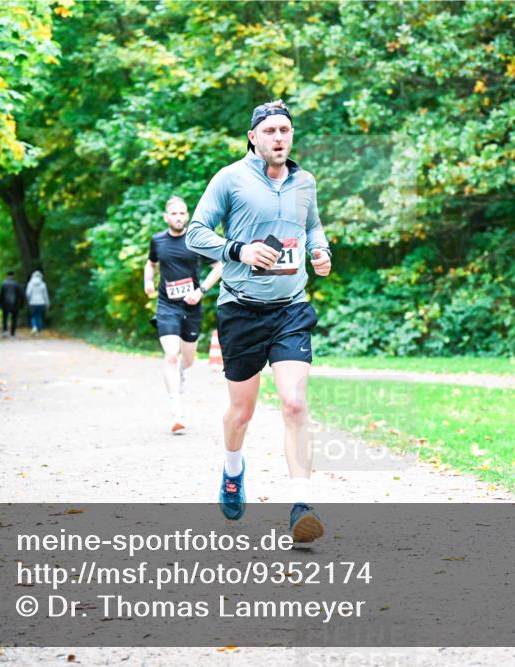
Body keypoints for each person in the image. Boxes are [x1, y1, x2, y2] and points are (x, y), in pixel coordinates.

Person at [186, 99, 332, 543]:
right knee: (242, 411)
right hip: (241, 309)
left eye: (285, 130)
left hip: (290, 309)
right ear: (253, 137)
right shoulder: (230, 179)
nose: (278, 138)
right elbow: (196, 232)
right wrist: (239, 250)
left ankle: (302, 506)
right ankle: (233, 472)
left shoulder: (304, 181)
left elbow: (313, 227)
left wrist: (320, 252)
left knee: (294, 404)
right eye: (269, 131)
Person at [144, 196, 223, 434]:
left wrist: (201, 291)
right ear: (166, 217)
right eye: (174, 213)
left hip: (191, 307)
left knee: (187, 360)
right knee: (171, 354)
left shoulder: (195, 239)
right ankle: (176, 411)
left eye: (182, 213)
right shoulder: (157, 240)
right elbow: (151, 263)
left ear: (187, 216)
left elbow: (219, 266)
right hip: (167, 306)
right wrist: (148, 280)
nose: (178, 217)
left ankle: (180, 374)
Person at [0, 271, 23, 338]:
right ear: (13, 276)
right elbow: (21, 295)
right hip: (15, 304)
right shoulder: (16, 284)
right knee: (14, 319)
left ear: (6, 276)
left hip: (5, 304)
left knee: (5, 318)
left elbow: (0, 295)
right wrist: (21, 304)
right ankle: (13, 333)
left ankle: (5, 331)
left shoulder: (3, 284)